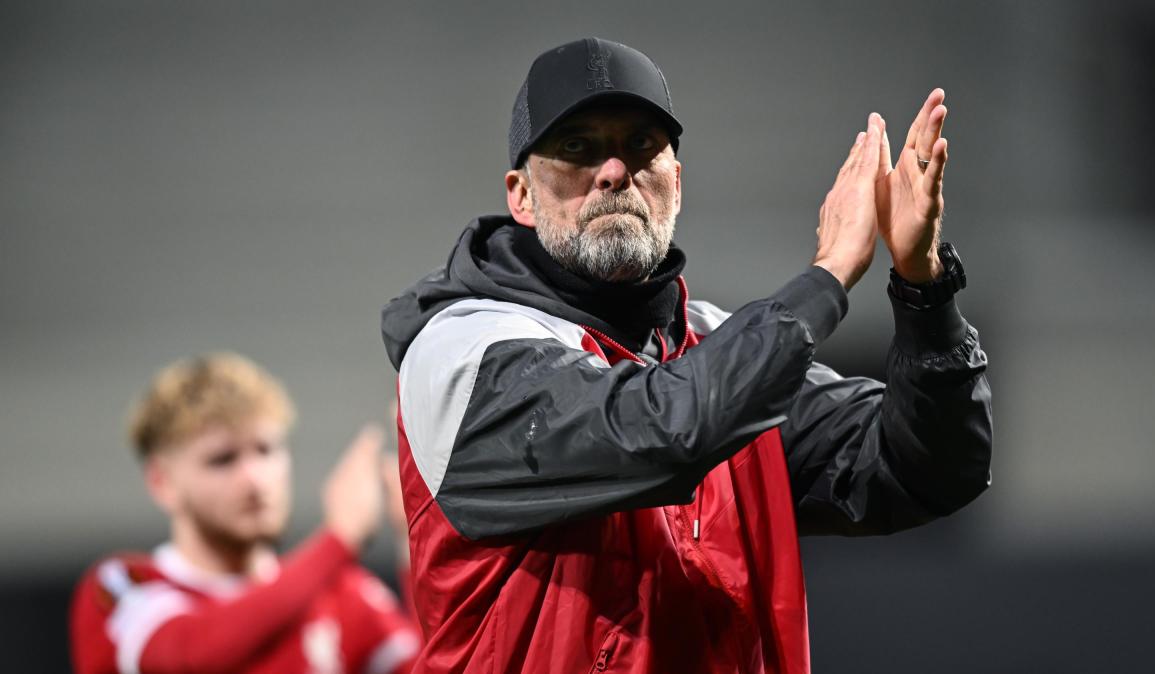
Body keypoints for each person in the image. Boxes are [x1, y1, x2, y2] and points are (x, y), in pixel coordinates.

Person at [381, 37, 992, 674]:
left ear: (676, 182)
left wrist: (924, 288)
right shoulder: (461, 353)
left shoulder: (721, 348)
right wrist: (830, 274)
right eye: (577, 148)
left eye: (641, 144)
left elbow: (932, 468)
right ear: (522, 196)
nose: (613, 171)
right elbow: (659, 430)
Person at [70, 352, 422, 674]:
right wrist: (338, 541)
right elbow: (192, 654)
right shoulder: (122, 586)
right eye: (222, 459)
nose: (255, 479)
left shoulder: (343, 596)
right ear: (162, 482)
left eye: (266, 450)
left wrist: (419, 548)